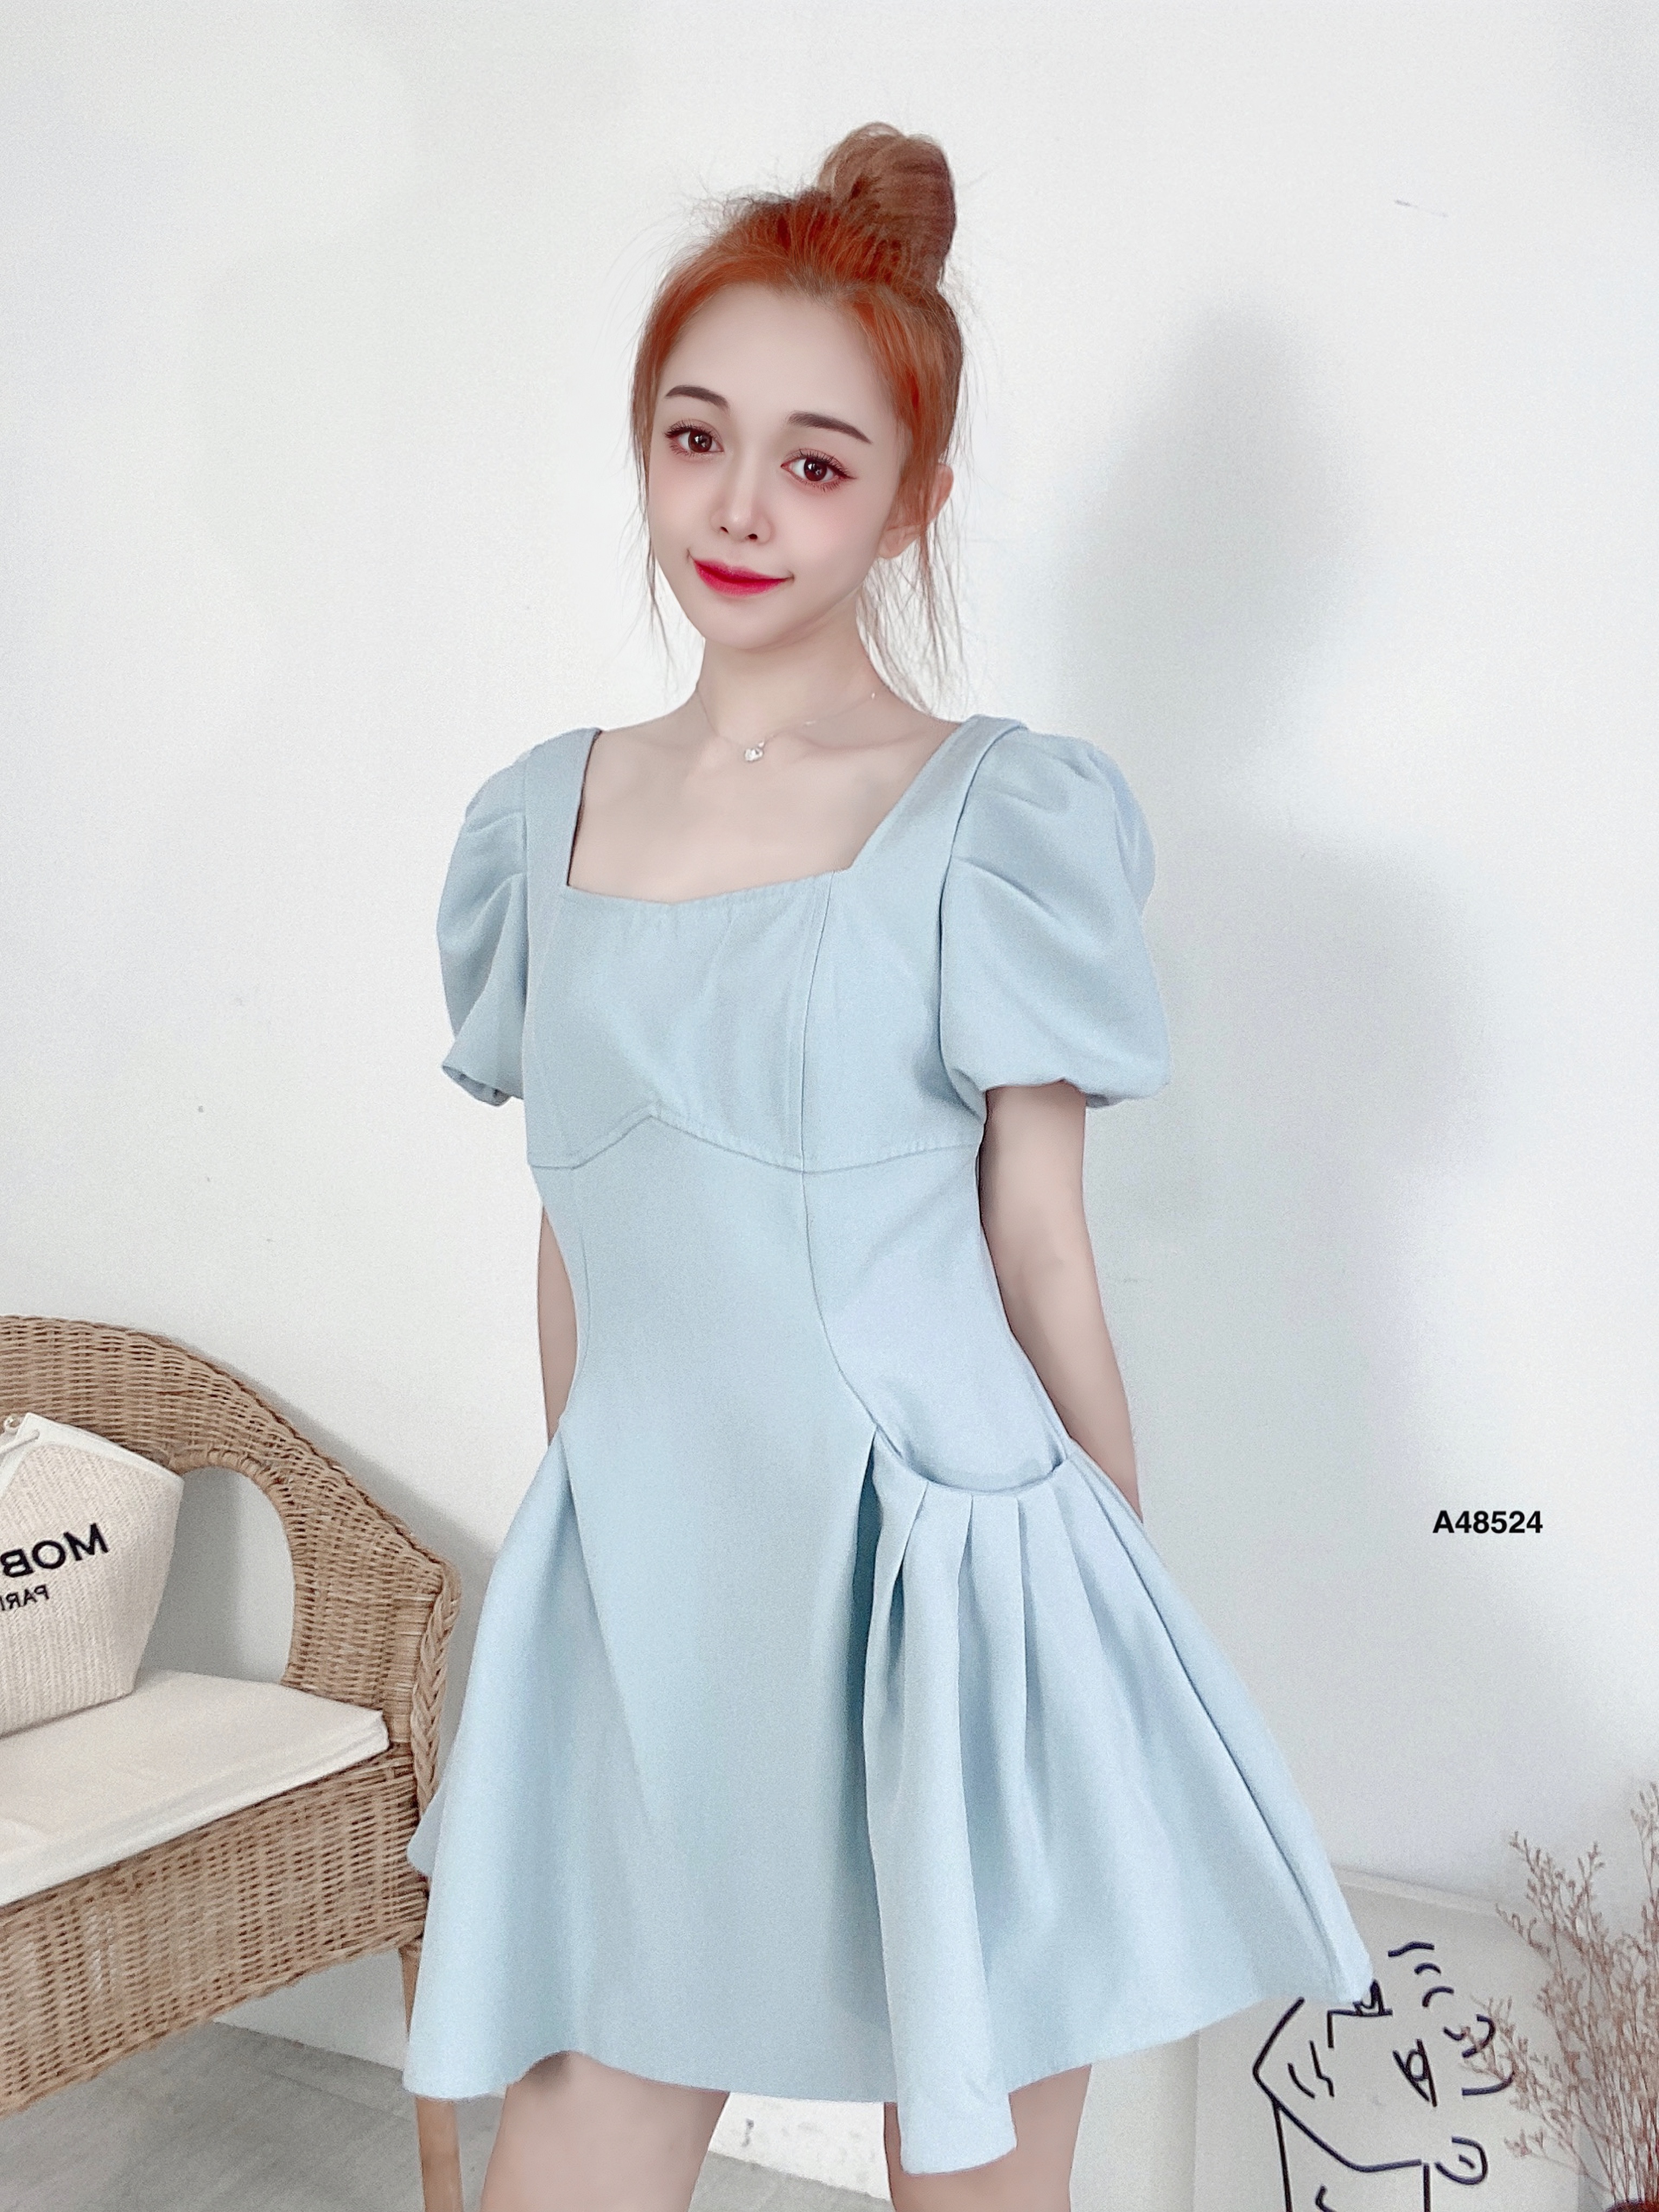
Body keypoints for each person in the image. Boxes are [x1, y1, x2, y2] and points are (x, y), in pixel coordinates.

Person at [400, 122, 1373, 2212]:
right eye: (697, 439)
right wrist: (596, 1540)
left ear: (913, 497)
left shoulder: (996, 820)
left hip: (950, 1570)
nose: (741, 508)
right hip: (651, 1584)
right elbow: (574, 1237)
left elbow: (1043, 1256)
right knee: (574, 2131)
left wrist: (1102, 1631)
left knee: (980, 2154)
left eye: (817, 463)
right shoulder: (534, 824)